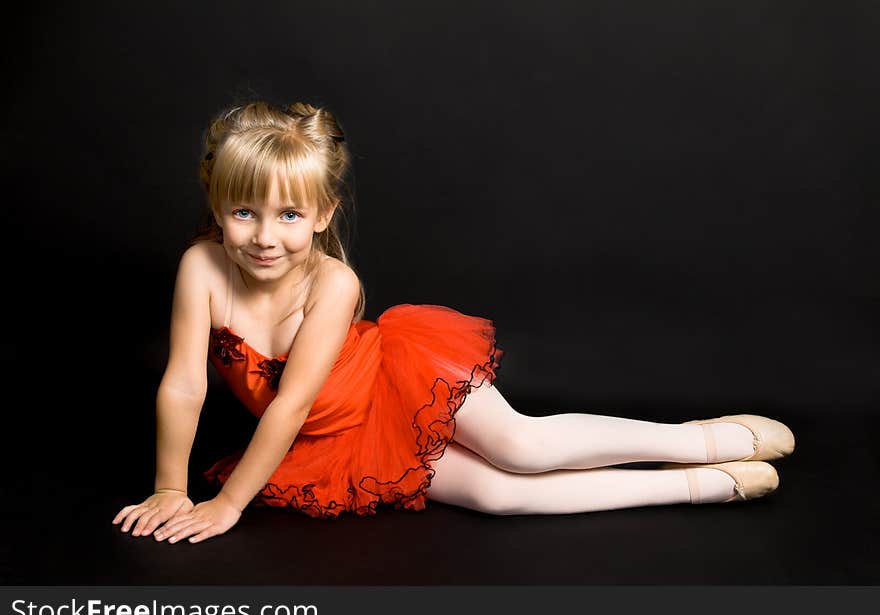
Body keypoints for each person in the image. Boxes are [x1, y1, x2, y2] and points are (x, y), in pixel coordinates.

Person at [112, 100, 795, 544]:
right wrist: (171, 488)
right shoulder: (201, 267)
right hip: (340, 438)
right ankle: (705, 484)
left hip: (396, 380)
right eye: (244, 212)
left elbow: (288, 404)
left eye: (289, 215)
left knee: (521, 450)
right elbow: (182, 386)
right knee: (499, 500)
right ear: (217, 203)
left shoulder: (333, 281)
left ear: (322, 215)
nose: (265, 236)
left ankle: (702, 440)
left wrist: (228, 505)